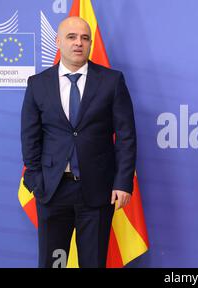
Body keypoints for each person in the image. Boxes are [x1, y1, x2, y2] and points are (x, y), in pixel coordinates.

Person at [21, 16, 136, 268]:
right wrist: (36, 180)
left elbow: (126, 137)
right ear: (58, 41)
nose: (78, 43)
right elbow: (30, 137)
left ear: (91, 43)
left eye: (85, 38)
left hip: (96, 192)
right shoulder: (37, 84)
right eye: (72, 37)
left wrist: (123, 183)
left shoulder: (112, 81)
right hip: (52, 191)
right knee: (54, 264)